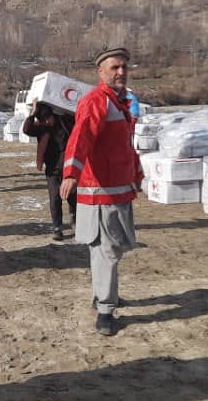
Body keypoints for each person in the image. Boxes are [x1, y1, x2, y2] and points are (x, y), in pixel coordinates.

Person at [60, 48, 143, 336]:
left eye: (124, 67)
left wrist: (137, 174)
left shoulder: (120, 104)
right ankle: (105, 311)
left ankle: (104, 293)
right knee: (105, 251)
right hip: (99, 192)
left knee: (114, 249)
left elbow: (125, 147)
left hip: (120, 190)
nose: (121, 72)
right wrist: (71, 173)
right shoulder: (96, 101)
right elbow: (81, 137)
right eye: (114, 67)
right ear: (101, 72)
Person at [22, 100, 77, 241]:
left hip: (69, 167)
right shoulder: (41, 128)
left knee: (73, 197)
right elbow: (26, 129)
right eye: (43, 117)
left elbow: (78, 120)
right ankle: (57, 227)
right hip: (52, 168)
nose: (47, 119)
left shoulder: (66, 122)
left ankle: (75, 221)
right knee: (55, 198)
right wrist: (32, 113)